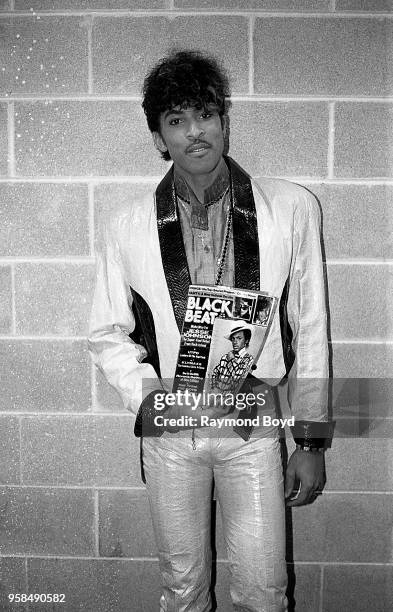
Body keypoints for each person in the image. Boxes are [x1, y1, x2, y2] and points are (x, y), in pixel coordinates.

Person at [89, 49, 332, 612]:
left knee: (265, 592)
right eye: (176, 120)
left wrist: (311, 440)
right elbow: (105, 331)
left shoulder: (292, 207)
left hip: (254, 425)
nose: (194, 132)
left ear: (224, 120)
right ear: (158, 138)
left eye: (204, 114)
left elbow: (312, 327)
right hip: (172, 433)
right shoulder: (126, 223)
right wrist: (149, 397)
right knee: (181, 590)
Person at [211, 324, 254, 393]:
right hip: (217, 395)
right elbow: (215, 372)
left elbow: (238, 381)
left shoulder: (249, 359)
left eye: (239, 338)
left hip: (233, 398)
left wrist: (232, 360)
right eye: (233, 338)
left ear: (246, 341)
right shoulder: (226, 357)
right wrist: (214, 388)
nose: (234, 342)